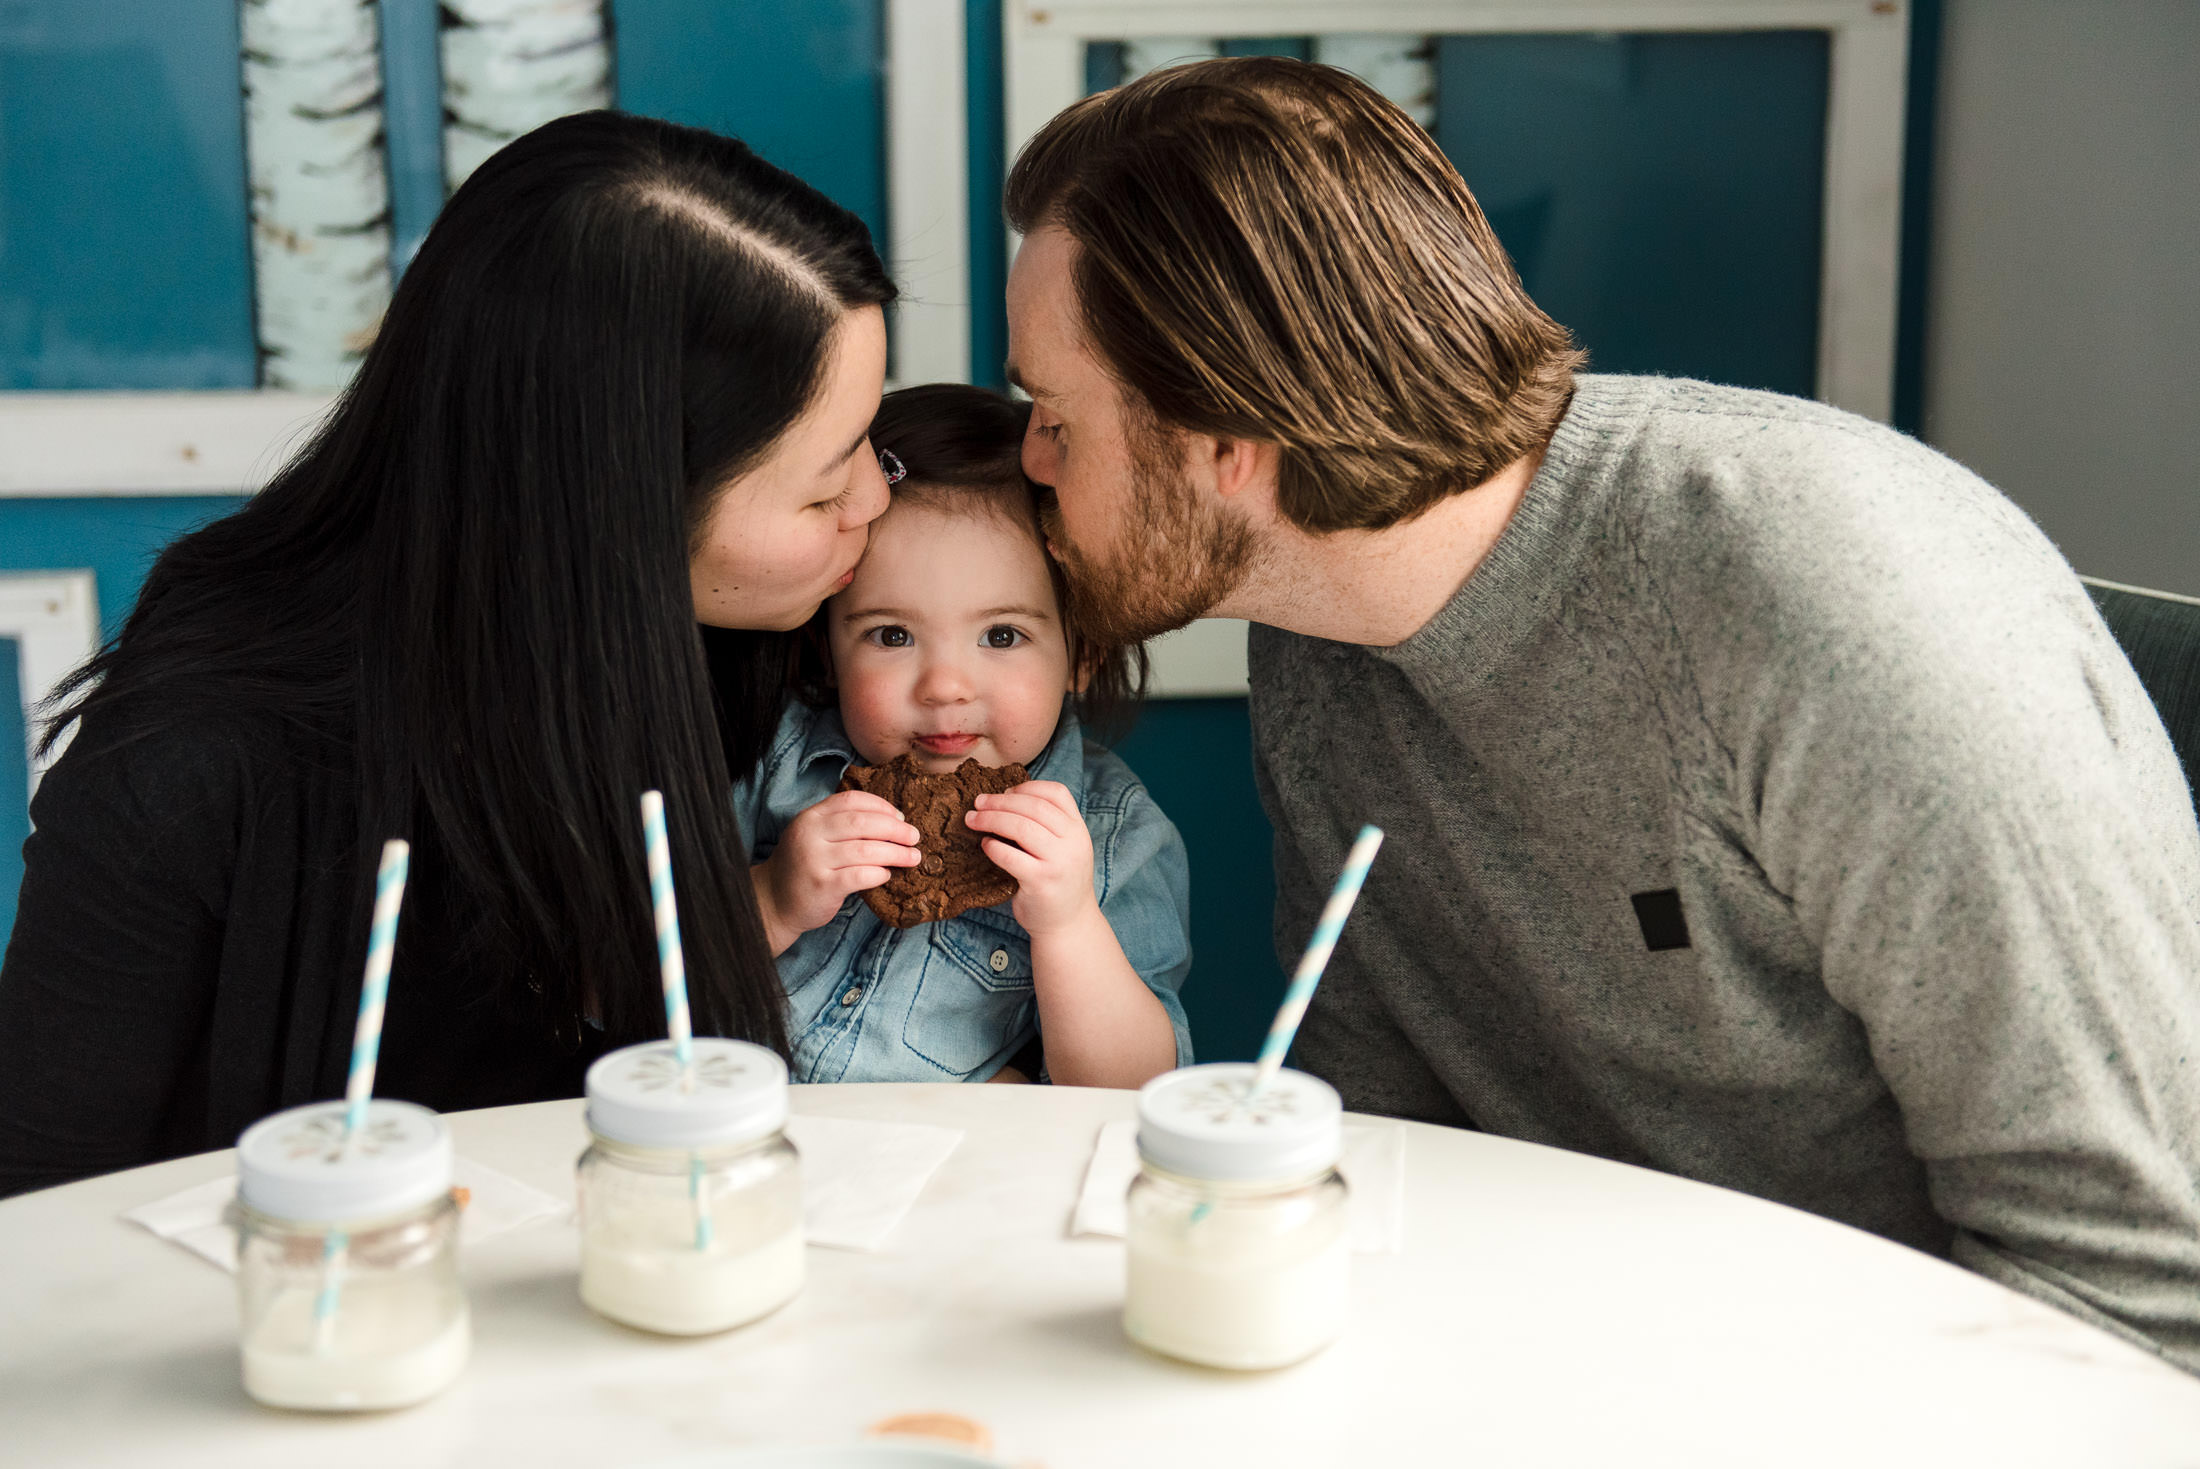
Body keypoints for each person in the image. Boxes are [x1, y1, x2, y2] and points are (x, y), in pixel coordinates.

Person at [1001, 57, 2200, 1371]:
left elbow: (2132, 1287)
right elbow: (1378, 1131)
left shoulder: (1834, 616)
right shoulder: (1320, 621)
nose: (1029, 462)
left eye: (1052, 414)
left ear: (1225, 444)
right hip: (1568, 1356)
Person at [0, 111, 898, 1197]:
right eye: (825, 479)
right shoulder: (198, 757)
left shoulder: (782, 647)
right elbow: (39, 1201)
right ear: (616, 515)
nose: (877, 499)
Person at [733, 383, 1193, 1088]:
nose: (945, 685)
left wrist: (1069, 926)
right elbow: (630, 976)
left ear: (1084, 650)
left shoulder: (1114, 840)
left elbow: (1133, 1093)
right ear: (828, 647)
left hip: (960, 1184)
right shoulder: (772, 760)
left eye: (1001, 635)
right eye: (892, 635)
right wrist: (772, 897)